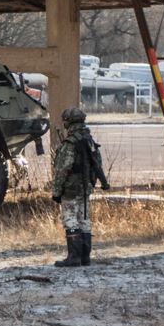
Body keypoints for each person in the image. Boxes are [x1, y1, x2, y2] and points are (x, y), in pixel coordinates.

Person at [49, 105, 109, 268]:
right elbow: (98, 164)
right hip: (85, 187)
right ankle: (85, 258)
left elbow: (62, 169)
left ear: (69, 123)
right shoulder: (89, 141)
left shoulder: (70, 143)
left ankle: (74, 257)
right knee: (84, 220)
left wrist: (56, 191)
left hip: (71, 188)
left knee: (70, 220)